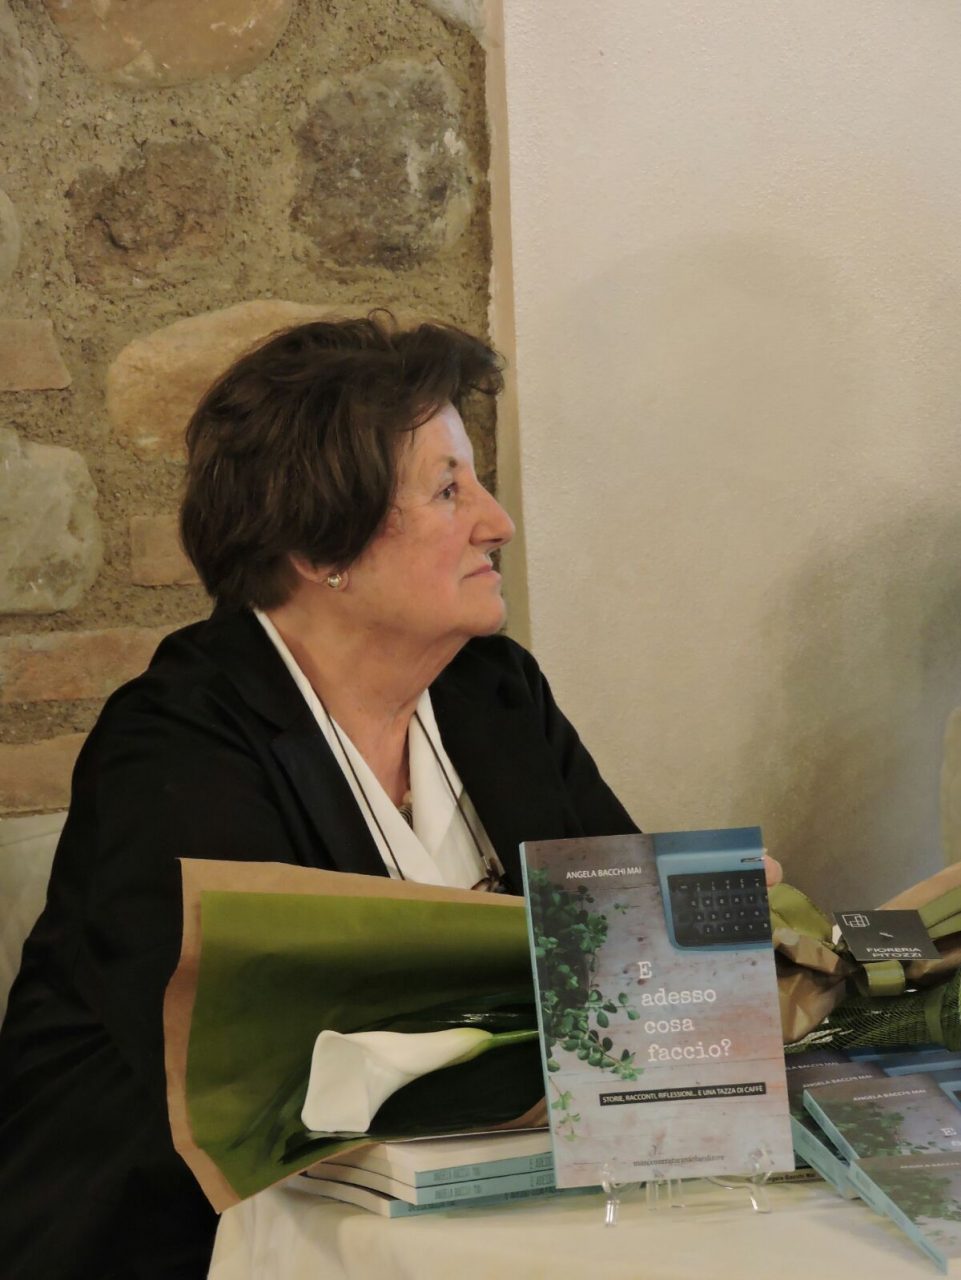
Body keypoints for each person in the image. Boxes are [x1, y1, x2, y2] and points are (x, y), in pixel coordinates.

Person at [0, 315, 642, 1280]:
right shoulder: (173, 742)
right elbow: (257, 1070)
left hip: (475, 1200)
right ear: (318, 544)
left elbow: (626, 945)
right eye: (447, 490)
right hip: (182, 1237)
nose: (496, 521)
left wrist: (700, 924)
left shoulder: (495, 691)